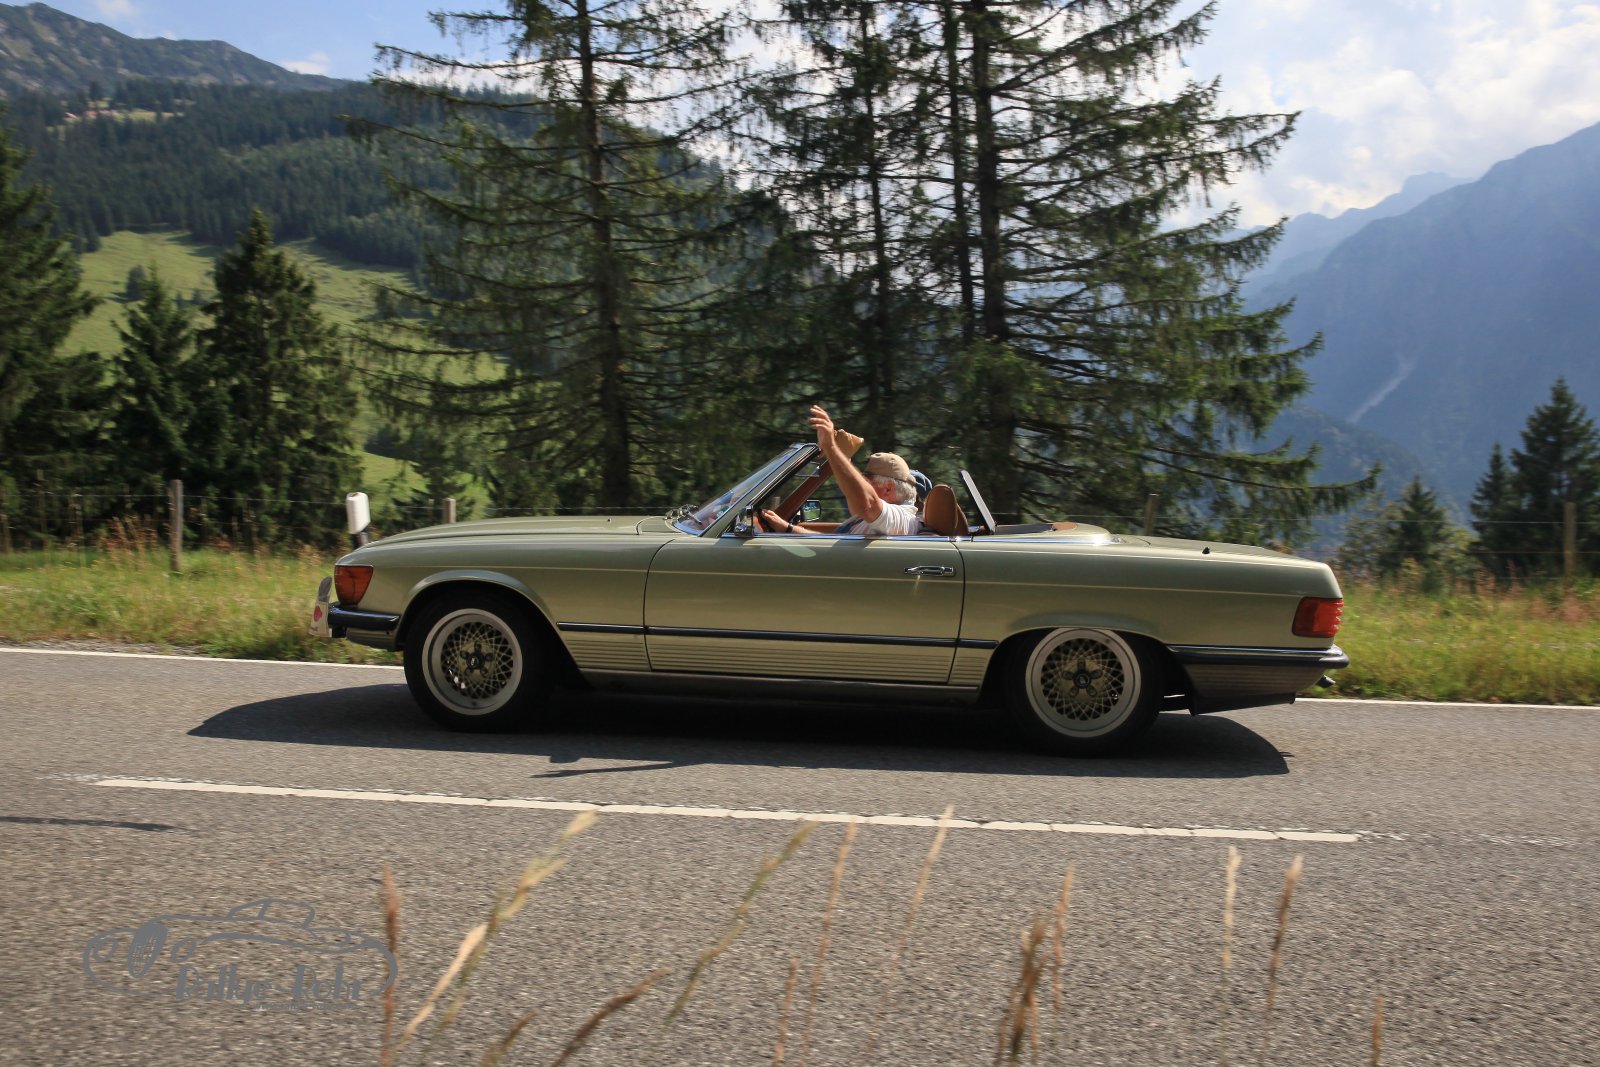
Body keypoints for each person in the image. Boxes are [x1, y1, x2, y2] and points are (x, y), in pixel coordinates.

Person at [761, 405, 921, 537]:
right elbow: (832, 544)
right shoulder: (869, 520)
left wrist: (831, 447)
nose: (861, 485)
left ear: (888, 489)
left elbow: (868, 502)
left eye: (866, 482)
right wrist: (787, 529)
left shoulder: (902, 520)